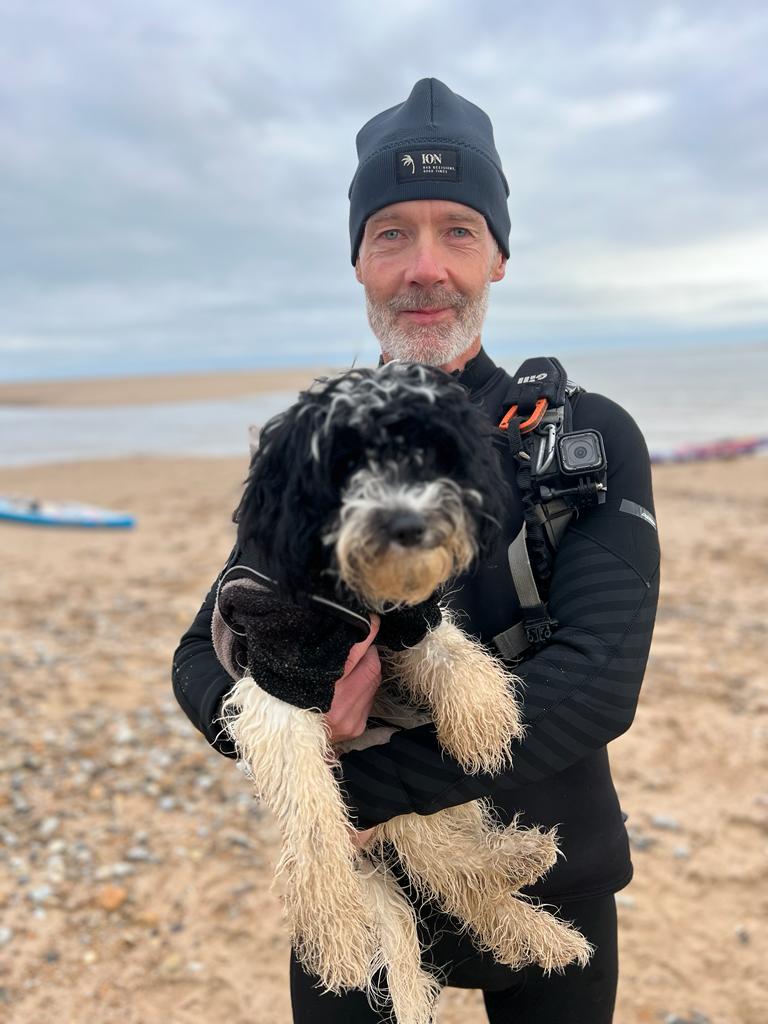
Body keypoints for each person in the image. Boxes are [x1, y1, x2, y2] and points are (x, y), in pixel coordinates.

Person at [172, 78, 660, 1024]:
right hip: (361, 899)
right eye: (392, 231)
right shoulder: (317, 446)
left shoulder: (587, 436)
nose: (424, 266)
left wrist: (351, 791)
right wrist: (288, 723)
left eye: (458, 231)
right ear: (357, 259)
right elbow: (203, 656)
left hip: (545, 873)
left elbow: (599, 683)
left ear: (499, 259)